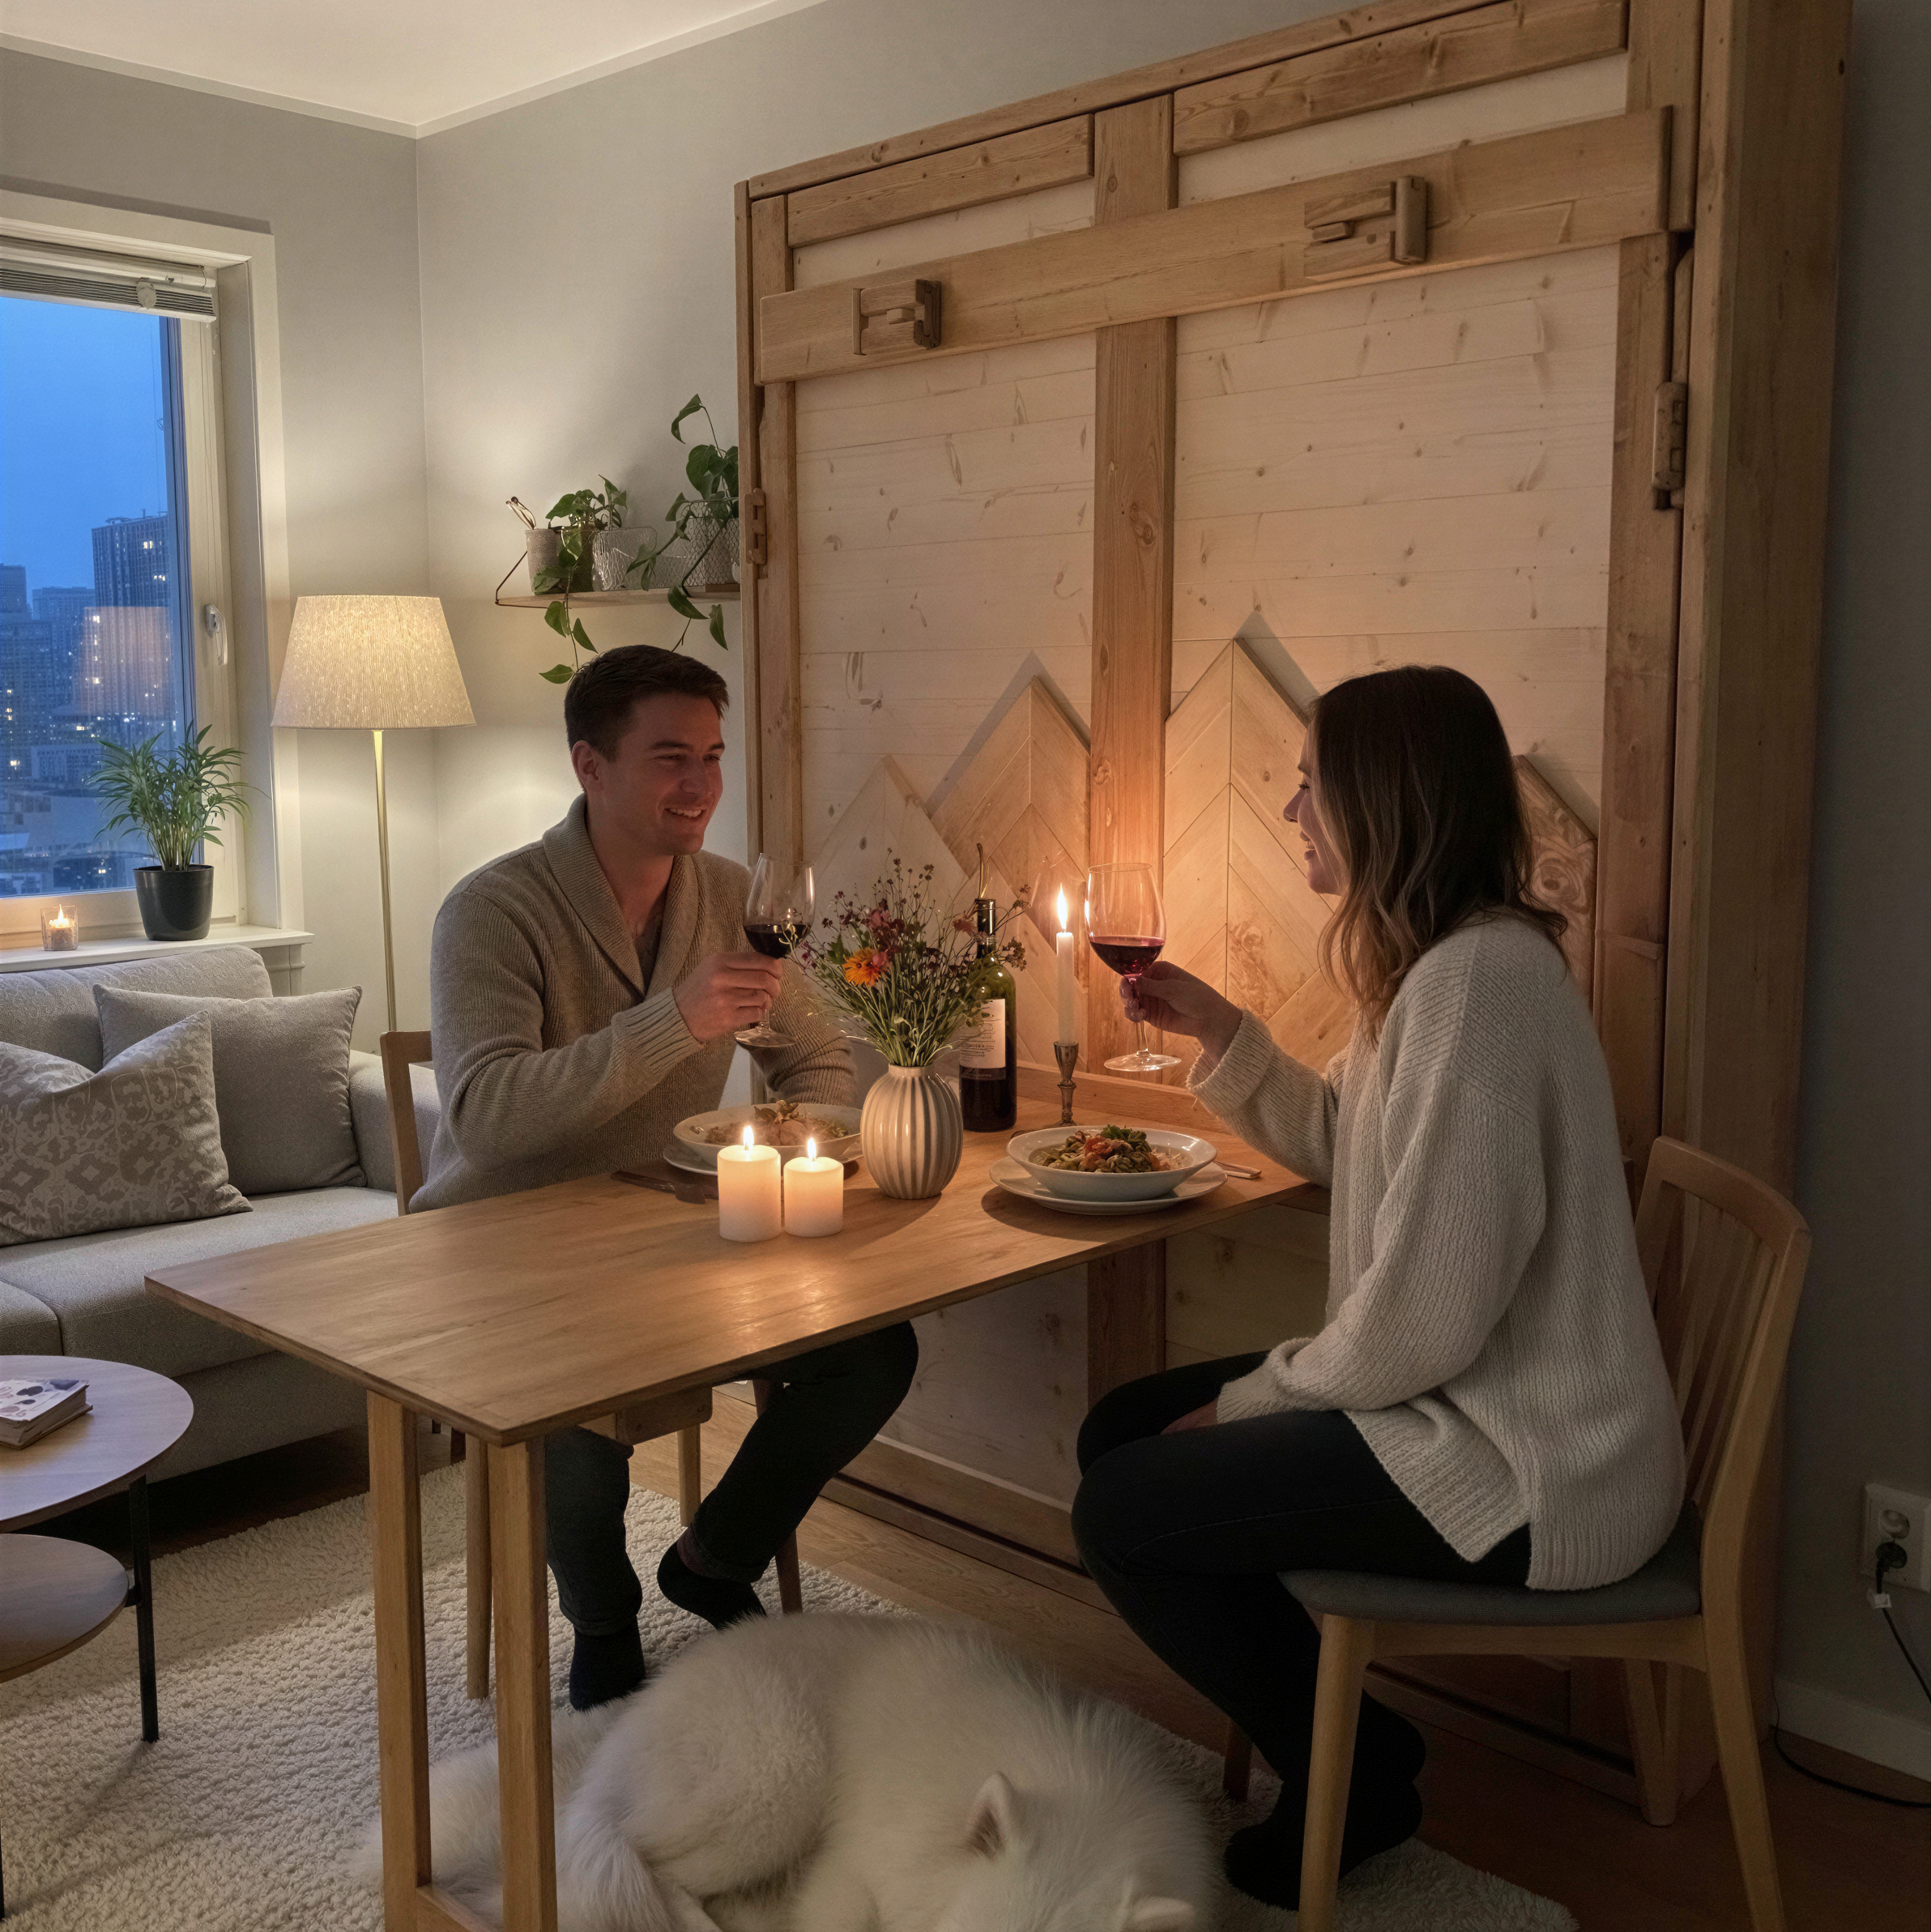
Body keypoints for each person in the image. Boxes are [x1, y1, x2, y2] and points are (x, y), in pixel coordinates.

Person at [1071, 665, 1684, 1907]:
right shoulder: (1437, 969)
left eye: (1312, 784)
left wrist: (1250, 1403)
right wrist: (1222, 1030)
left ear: (1383, 797)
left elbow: (1423, 1322)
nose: (1294, 810)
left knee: (1124, 1507)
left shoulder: (1479, 986)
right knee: (1122, 1430)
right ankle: (1352, 1745)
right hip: (1466, 1403)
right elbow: (1347, 1137)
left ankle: (1355, 1771)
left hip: (1534, 1459)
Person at [417, 644, 917, 1711]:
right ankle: (602, 1620)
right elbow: (489, 1120)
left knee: (873, 1350)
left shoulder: (732, 897)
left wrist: (784, 1142)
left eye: (713, 757)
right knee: (572, 1392)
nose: (700, 785)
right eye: (670, 759)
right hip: (505, 1245)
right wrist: (674, 1021)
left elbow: (816, 1060)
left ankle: (712, 1559)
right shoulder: (493, 910)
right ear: (589, 766)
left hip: (665, 1226)